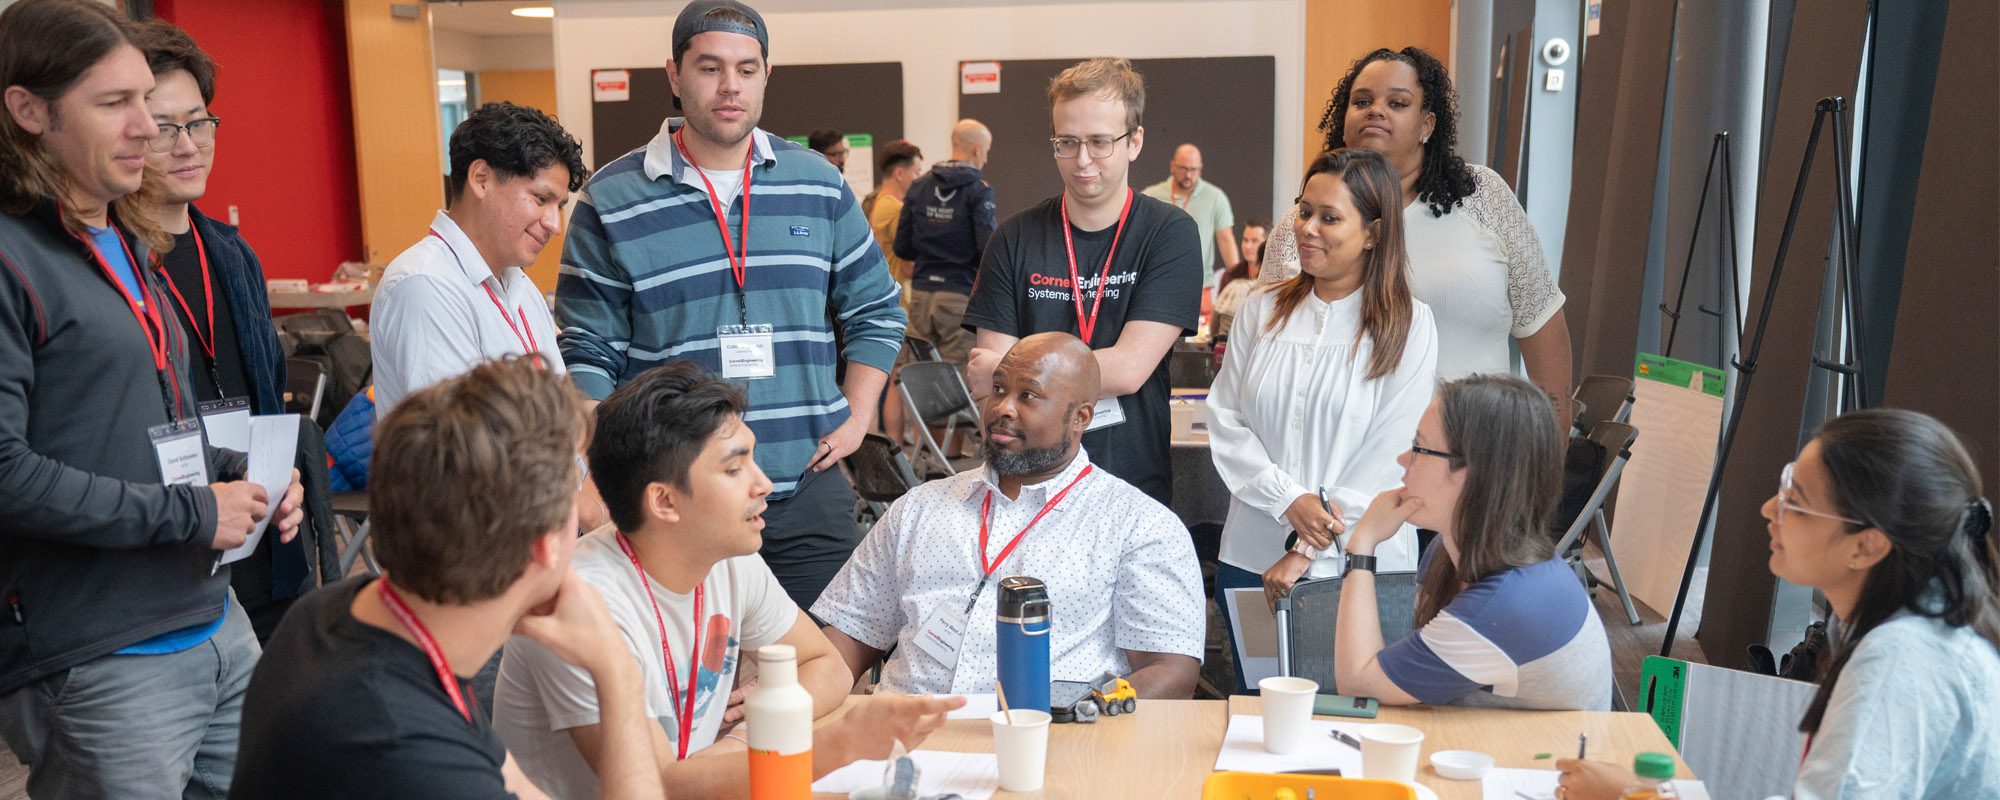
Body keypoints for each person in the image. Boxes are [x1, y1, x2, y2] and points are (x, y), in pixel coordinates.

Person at [0, 2, 303, 795]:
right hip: (102, 652)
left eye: (152, 101)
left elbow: (149, 423)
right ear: (27, 110)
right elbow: (6, 473)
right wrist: (195, 513)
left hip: (213, 618)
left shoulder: (127, 239)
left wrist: (250, 486)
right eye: (115, 104)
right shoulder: (13, 257)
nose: (151, 131)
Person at [557, 0, 908, 609]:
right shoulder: (610, 198)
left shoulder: (819, 186)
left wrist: (855, 419)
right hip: (672, 493)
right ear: (674, 75)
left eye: (747, 70)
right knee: (681, 680)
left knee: (824, 671)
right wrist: (597, 470)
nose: (730, 87)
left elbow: (876, 311)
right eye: (710, 68)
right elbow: (588, 347)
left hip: (806, 481)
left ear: (766, 76)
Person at [494, 361, 962, 799]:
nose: (762, 484)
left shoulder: (726, 556)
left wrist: (740, 739)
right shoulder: (579, 602)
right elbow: (658, 783)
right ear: (664, 502)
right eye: (734, 468)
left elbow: (827, 665)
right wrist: (837, 745)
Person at [231, 358, 664, 800]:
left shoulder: (339, 614)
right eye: (577, 488)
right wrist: (619, 676)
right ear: (545, 545)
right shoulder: (407, 752)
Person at [1558, 409, 2000, 799]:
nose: (1770, 508)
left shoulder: (1901, 660)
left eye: (1796, 502)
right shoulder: (1902, 624)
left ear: (1866, 547)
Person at [814, 332, 1206, 699]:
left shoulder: (1138, 525)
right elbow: (849, 634)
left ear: (1080, 418)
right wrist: (793, 694)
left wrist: (1075, 723)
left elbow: (1170, 670)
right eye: (998, 389)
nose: (1003, 408)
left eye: (1029, 395)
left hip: (1051, 748)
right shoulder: (919, 509)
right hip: (907, 736)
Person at [1206, 149, 1437, 689]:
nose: (1307, 228)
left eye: (1329, 217)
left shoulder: (1409, 324)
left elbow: (1391, 453)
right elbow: (1225, 418)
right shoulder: (1261, 310)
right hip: (1252, 556)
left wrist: (1306, 547)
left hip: (1359, 568)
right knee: (1261, 712)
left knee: (1354, 716)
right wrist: (1287, 498)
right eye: (1303, 210)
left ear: (1375, 233)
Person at [1266, 46, 1574, 428]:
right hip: (1344, 463)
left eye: (1397, 102)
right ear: (1344, 120)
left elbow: (1544, 335)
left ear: (1427, 125)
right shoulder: (1301, 227)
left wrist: (1551, 461)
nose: (1375, 110)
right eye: (1361, 101)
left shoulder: (1484, 197)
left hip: (1480, 453)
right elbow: (1268, 350)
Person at [964, 58, 1203, 506]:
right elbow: (992, 389)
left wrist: (1011, 376)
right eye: (1067, 143)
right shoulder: (1014, 238)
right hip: (1024, 482)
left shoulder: (1169, 233)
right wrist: (1005, 377)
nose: (1082, 161)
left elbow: (1131, 370)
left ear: (1135, 142)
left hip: (1130, 479)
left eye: (1099, 142)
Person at [132, 19, 302, 641]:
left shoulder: (231, 255)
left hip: (260, 537)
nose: (188, 146)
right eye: (164, 129)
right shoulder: (114, 267)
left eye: (198, 122)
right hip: (172, 552)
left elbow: (267, 395)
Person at [1332, 373, 1611, 710]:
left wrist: (1361, 545)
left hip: (1547, 759)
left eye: (1419, 448)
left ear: (1473, 472)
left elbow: (1359, 682)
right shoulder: (1453, 549)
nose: (1403, 460)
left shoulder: (1506, 603)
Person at [371, 101, 585, 416]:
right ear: (481, 178)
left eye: (560, 206)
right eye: (541, 199)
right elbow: (462, 447)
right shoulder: (426, 285)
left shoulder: (520, 287)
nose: (554, 225)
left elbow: (563, 416)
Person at [896, 118, 996, 372]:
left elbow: (902, 247)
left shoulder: (919, 186)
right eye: (986, 151)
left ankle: (919, 416)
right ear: (976, 148)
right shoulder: (978, 190)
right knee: (958, 380)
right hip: (959, 296)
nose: (985, 158)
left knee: (920, 375)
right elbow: (988, 247)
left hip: (920, 296)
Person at [1142, 143, 1239, 300]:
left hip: (1201, 286)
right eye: (1183, 168)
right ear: (1172, 166)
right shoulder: (1150, 196)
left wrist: (1237, 281)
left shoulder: (1215, 197)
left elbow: (1226, 240)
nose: (1188, 175)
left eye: (1194, 170)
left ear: (1200, 169)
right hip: (1158, 283)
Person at [865, 138, 922, 299]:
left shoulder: (878, 202)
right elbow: (909, 266)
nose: (919, 178)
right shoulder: (894, 208)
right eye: (917, 172)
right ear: (899, 173)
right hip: (900, 303)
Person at [1210, 217, 1266, 339]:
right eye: (1245, 240)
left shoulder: (1273, 279)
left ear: (1267, 244)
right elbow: (1218, 319)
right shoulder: (1230, 274)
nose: (1248, 246)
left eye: (1255, 241)